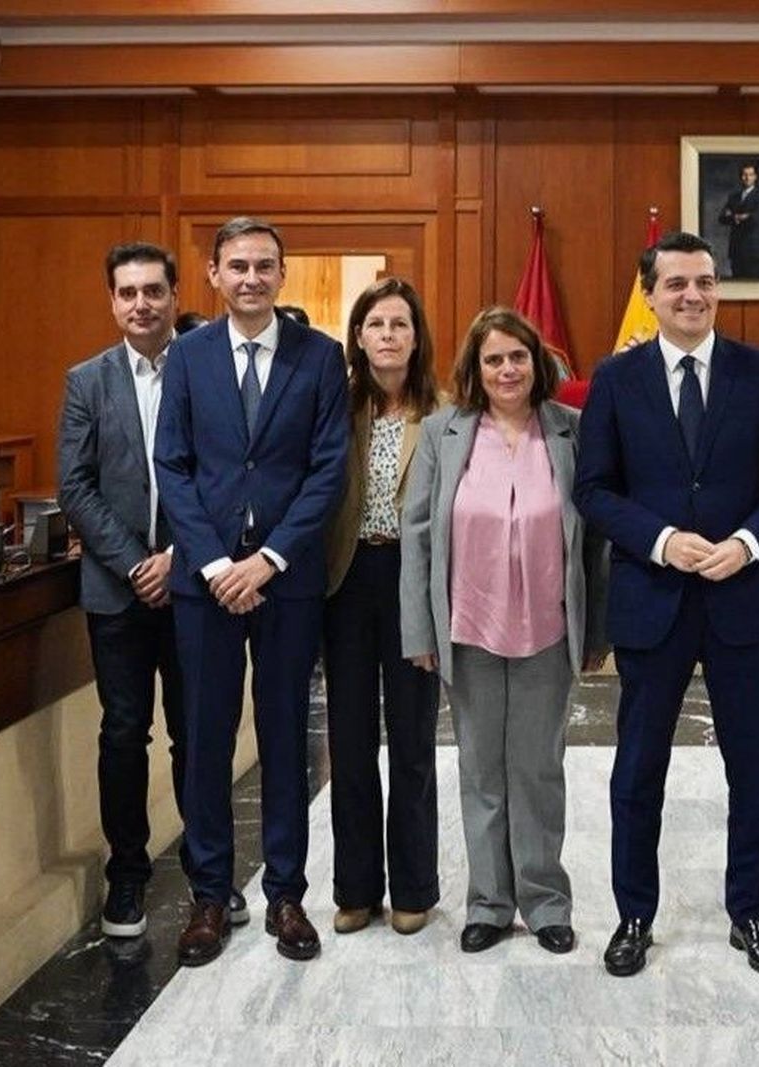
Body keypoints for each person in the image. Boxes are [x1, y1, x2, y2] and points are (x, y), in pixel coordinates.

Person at [574, 230, 759, 978]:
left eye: (705, 282)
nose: (693, 296)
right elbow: (594, 490)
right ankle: (634, 914)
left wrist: (747, 541)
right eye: (676, 284)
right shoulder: (616, 378)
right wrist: (663, 538)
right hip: (654, 598)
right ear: (650, 293)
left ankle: (750, 911)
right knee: (639, 769)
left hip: (741, 599)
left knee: (752, 768)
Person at [154, 217, 349, 967]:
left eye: (265, 265)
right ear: (212, 273)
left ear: (282, 273)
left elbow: (327, 469)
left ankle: (287, 893)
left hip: (284, 581)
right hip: (205, 587)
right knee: (203, 737)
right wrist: (210, 565)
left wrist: (265, 559)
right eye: (237, 265)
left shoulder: (320, 357)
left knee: (285, 735)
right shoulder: (190, 356)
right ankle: (209, 893)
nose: (251, 278)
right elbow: (172, 465)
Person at [400, 307, 608, 957]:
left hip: (549, 626)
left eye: (518, 356)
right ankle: (489, 901)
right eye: (493, 359)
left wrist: (596, 630)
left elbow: (596, 540)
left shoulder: (572, 430)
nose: (507, 369)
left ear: (537, 362)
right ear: (475, 368)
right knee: (481, 770)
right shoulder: (444, 431)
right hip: (469, 626)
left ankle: (546, 900)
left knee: (539, 769)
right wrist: (419, 630)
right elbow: (418, 535)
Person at [57, 243, 245, 940]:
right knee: (123, 733)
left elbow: (227, 473)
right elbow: (75, 485)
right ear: (112, 300)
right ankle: (128, 877)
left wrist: (177, 557)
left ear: (174, 295)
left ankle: (211, 879)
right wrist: (138, 561)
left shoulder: (211, 369)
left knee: (198, 733)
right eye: (127, 292)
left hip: (196, 585)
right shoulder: (87, 381)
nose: (141, 303)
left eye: (153, 291)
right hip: (116, 591)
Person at [322, 278, 442, 937]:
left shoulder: (446, 413)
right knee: (351, 739)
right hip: (346, 579)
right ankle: (356, 887)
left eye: (400, 323)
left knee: (414, 739)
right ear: (359, 337)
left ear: (416, 336)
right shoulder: (335, 409)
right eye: (376, 324)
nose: (389, 335)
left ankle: (415, 885)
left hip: (412, 581)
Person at [716, 163, 759, 278]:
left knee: (753, 286)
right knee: (737, 282)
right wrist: (739, 217)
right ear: (741, 177)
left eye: (750, 174)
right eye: (744, 175)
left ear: (755, 177)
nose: (747, 178)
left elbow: (756, 218)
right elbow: (722, 218)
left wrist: (733, 216)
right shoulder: (733, 196)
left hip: (753, 250)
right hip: (736, 248)